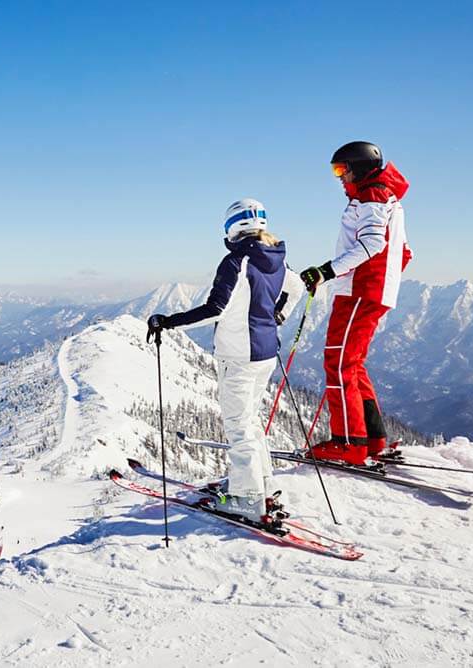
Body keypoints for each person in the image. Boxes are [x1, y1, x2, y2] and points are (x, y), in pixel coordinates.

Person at [147, 199, 303, 525]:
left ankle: (247, 499)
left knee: (239, 426)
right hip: (265, 353)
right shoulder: (275, 257)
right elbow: (297, 286)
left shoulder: (237, 262)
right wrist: (280, 314)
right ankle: (261, 485)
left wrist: (167, 322)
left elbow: (215, 309)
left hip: (239, 355)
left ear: (232, 228)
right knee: (250, 421)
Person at [299, 141, 411, 465]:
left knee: (338, 361)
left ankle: (349, 443)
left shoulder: (372, 194)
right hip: (369, 289)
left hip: (360, 290)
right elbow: (404, 251)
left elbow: (374, 243)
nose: (339, 177)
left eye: (341, 169)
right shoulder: (383, 196)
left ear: (359, 167)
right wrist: (385, 282)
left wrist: (328, 271)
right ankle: (371, 439)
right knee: (352, 362)